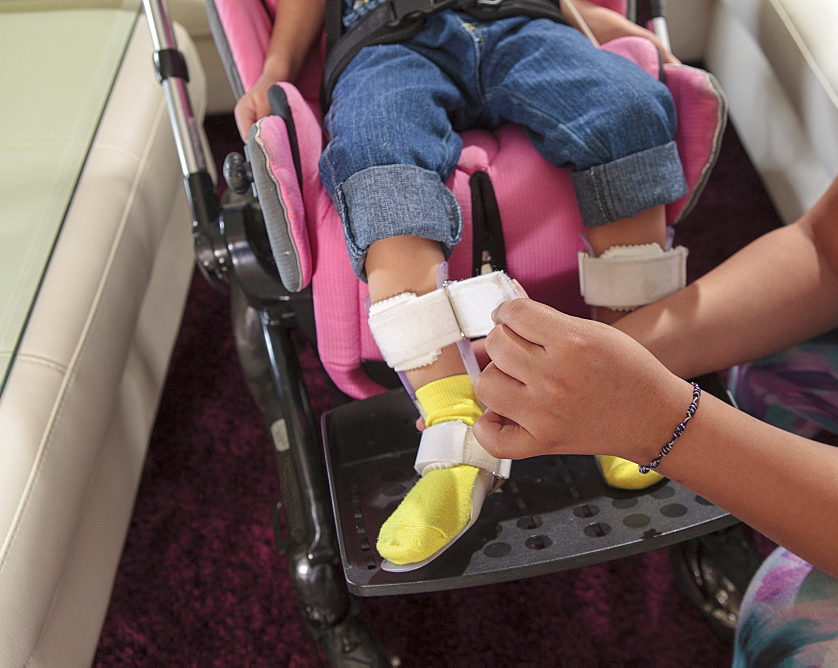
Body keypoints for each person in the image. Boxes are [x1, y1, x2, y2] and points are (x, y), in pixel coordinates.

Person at [473, 0, 838, 661]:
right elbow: (829, 252)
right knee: (768, 351)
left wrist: (654, 417)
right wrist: (607, 357)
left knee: (787, 620)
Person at [235, 0, 692, 569]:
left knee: (626, 107)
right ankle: (456, 427)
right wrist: (276, 67)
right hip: (388, 40)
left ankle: (621, 374)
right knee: (379, 161)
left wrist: (621, 34)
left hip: (521, 20)